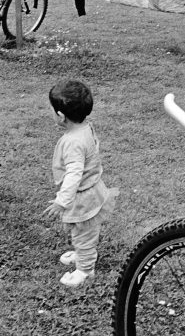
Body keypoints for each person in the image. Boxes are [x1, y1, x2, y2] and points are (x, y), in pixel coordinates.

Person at [43, 80, 118, 288]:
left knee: (84, 235)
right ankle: (81, 254)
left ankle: (85, 270)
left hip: (83, 196)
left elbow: (74, 174)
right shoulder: (86, 127)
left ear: (60, 115)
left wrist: (62, 201)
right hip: (93, 189)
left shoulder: (72, 142)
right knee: (83, 232)